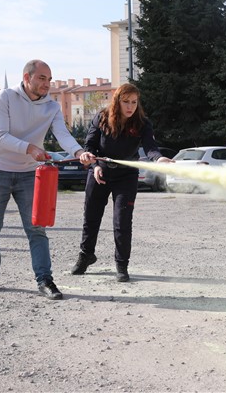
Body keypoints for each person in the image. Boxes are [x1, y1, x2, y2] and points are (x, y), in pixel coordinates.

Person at [0, 59, 86, 300]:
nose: (47, 84)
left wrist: (78, 152)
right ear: (27, 78)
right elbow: (0, 136)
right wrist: (30, 149)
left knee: (37, 229)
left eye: (49, 79)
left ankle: (45, 280)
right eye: (42, 78)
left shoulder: (52, 107)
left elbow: (63, 135)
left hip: (28, 173)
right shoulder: (5, 97)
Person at [71, 83, 173, 282]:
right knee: (91, 218)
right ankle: (86, 256)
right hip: (99, 173)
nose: (130, 107)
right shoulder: (101, 118)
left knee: (122, 222)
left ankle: (122, 265)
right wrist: (94, 166)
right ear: (117, 101)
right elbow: (89, 147)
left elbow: (151, 148)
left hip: (126, 177)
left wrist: (159, 159)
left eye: (134, 102)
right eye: (126, 102)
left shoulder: (142, 123)